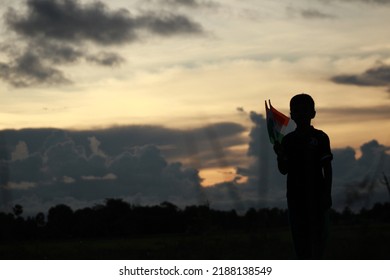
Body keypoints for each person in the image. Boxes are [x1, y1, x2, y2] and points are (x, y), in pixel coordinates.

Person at [273, 93, 333, 259]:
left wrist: (327, 194)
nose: (300, 114)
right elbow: (284, 169)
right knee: (301, 246)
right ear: (291, 115)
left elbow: (327, 168)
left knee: (319, 244)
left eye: (304, 110)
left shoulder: (320, 138)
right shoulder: (287, 141)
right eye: (296, 111)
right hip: (295, 199)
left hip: (318, 197)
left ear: (313, 113)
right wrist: (280, 155)